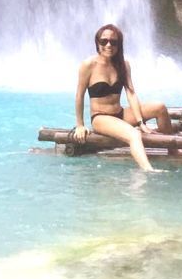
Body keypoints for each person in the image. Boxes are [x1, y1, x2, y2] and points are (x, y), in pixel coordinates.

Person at [72, 23, 174, 171]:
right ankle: (148, 170)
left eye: (113, 42)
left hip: (120, 114)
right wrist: (80, 125)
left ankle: (172, 150)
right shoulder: (88, 65)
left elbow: (130, 93)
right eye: (104, 41)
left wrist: (140, 122)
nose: (108, 45)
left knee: (159, 107)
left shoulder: (123, 64)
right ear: (97, 43)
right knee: (133, 135)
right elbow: (79, 95)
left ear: (119, 45)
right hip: (101, 118)